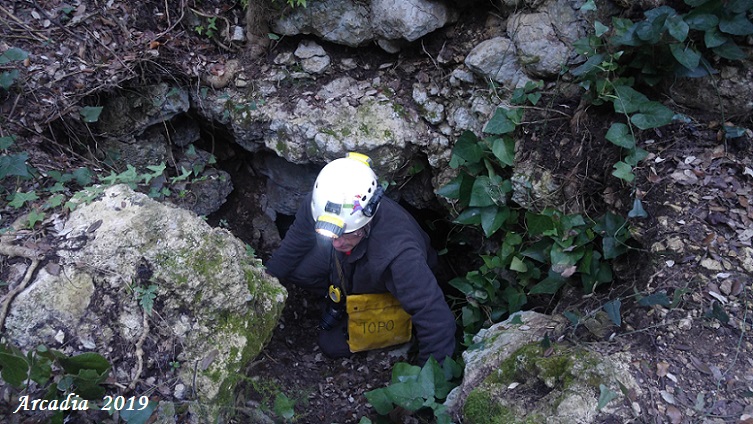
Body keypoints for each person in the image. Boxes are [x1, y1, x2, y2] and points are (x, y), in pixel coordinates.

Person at [265, 152, 456, 364]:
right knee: (299, 270)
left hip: (386, 285)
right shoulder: (323, 204)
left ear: (367, 220)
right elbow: (294, 243)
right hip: (352, 264)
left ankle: (366, 311)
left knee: (331, 344)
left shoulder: (400, 255)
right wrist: (265, 283)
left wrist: (428, 386)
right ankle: (342, 297)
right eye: (331, 233)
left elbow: (436, 320)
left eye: (347, 234)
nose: (336, 243)